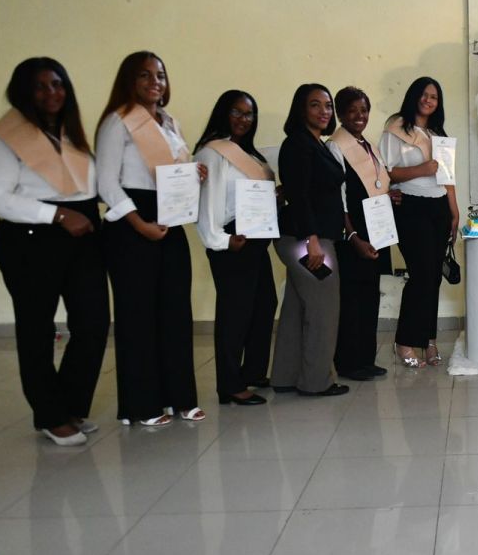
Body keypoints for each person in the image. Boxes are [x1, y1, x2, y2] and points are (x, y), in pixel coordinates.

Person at [0, 57, 109, 446]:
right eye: (40, 86)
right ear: (23, 92)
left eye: (57, 84)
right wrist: (56, 215)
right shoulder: (6, 136)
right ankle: (50, 415)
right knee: (37, 329)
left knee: (93, 323)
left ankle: (69, 406)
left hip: (83, 233)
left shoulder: (70, 133)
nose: (52, 92)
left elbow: (90, 186)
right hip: (31, 239)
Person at [96, 51, 205, 426]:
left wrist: (194, 173)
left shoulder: (170, 122)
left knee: (175, 312)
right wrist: (138, 222)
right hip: (131, 221)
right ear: (129, 80)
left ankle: (179, 398)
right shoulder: (117, 121)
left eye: (160, 74)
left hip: (169, 217)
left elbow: (172, 172)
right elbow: (106, 182)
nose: (154, 82)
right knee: (137, 316)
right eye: (144, 75)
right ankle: (141, 405)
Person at [193, 90, 277, 407]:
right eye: (237, 112)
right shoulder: (213, 152)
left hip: (255, 236)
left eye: (249, 114)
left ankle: (253, 371)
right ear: (223, 113)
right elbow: (208, 202)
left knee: (264, 304)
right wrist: (221, 239)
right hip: (232, 238)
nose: (244, 119)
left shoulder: (250, 154)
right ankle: (229, 385)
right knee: (235, 312)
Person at [270, 84, 350, 397]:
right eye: (315, 105)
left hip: (307, 237)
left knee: (296, 309)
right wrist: (312, 241)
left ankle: (285, 376)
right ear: (301, 109)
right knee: (323, 311)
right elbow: (299, 195)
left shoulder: (314, 143)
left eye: (327, 105)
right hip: (306, 240)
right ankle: (317, 382)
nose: (324, 111)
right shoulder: (297, 144)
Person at [379, 77, 460, 368]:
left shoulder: (437, 133)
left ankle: (428, 339)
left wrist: (454, 211)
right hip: (411, 207)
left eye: (434, 97)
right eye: (424, 94)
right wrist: (422, 169)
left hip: (439, 206)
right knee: (421, 275)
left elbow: (447, 177)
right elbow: (387, 173)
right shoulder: (396, 129)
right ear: (414, 96)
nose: (428, 100)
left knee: (433, 277)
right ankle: (404, 341)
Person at [326, 86, 391, 382]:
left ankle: (366, 358)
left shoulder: (368, 145)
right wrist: (352, 235)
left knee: (370, 295)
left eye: (363, 110)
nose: (359, 116)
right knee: (352, 298)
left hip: (376, 226)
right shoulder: (336, 146)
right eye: (352, 111)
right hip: (354, 232)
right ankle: (348, 362)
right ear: (341, 114)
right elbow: (338, 197)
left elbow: (378, 182)